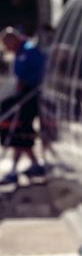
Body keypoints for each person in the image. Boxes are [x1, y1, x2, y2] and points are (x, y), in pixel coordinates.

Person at [1, 27, 47, 184]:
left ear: (13, 40)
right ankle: (31, 164)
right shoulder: (20, 53)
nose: (7, 49)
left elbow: (42, 71)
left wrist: (26, 82)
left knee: (20, 132)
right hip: (22, 96)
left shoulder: (29, 51)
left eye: (7, 44)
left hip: (30, 96)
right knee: (18, 132)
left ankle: (20, 167)